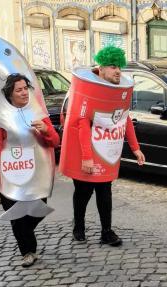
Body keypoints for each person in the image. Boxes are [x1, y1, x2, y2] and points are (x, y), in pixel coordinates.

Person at [60, 45, 145, 246]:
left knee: (105, 193)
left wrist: (135, 148)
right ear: (102, 68)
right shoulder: (92, 88)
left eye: (119, 67)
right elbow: (82, 123)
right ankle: (78, 226)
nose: (117, 71)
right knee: (83, 193)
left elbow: (124, 118)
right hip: (86, 153)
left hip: (106, 152)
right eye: (113, 66)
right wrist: (87, 157)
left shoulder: (117, 90)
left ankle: (106, 231)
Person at [0, 73, 59, 267]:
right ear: (10, 94)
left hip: (36, 177)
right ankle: (28, 252)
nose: (24, 93)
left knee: (37, 211)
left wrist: (47, 131)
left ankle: (27, 241)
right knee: (16, 218)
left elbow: (56, 142)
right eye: (19, 90)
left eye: (26, 88)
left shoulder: (38, 113)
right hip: (8, 177)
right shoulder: (1, 118)